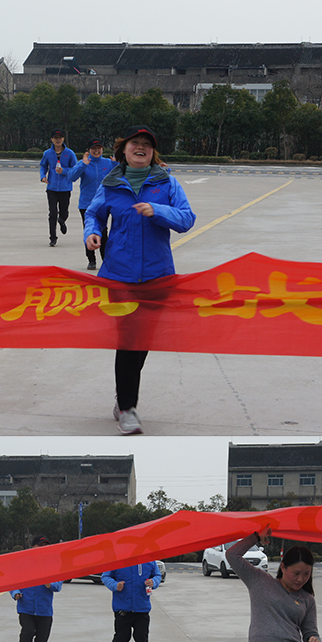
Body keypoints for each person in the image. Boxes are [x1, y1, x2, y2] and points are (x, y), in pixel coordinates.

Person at [83, 125, 196, 435]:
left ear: (152, 152)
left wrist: (156, 210)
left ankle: (122, 399)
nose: (141, 147)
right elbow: (93, 214)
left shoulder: (167, 184)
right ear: (124, 150)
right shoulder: (110, 184)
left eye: (147, 144)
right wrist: (91, 233)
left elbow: (187, 219)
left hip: (158, 278)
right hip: (118, 277)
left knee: (141, 343)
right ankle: (128, 408)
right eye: (136, 143)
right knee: (128, 341)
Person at [101, 560, 162, 642]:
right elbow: (106, 576)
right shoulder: (118, 559)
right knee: (123, 637)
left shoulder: (149, 560)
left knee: (142, 640)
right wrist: (115, 585)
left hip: (142, 608)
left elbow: (157, 575)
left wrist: (153, 582)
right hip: (123, 608)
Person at [10, 535, 63, 642]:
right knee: (28, 631)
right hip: (26, 607)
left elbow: (58, 585)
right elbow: (13, 581)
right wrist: (15, 593)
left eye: (46, 545)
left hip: (44, 609)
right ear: (33, 547)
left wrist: (49, 584)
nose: (43, 548)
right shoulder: (22, 562)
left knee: (42, 637)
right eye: (40, 545)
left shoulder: (52, 564)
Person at [67, 138, 116, 270]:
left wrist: (116, 164)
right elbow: (71, 177)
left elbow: (120, 176)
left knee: (103, 232)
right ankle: (91, 260)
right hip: (86, 205)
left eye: (99, 148)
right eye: (93, 148)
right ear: (88, 150)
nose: (96, 150)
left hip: (104, 204)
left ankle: (105, 260)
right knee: (89, 232)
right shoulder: (83, 163)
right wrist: (83, 165)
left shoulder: (108, 162)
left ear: (102, 149)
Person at [39, 128, 77, 247]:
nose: (58, 140)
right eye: (56, 138)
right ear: (52, 139)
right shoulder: (47, 153)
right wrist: (42, 176)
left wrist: (64, 171)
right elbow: (43, 166)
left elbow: (75, 168)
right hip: (52, 188)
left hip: (65, 188)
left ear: (63, 139)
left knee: (64, 212)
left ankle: (62, 220)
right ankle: (53, 237)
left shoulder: (70, 153)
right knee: (52, 213)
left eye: (60, 137)